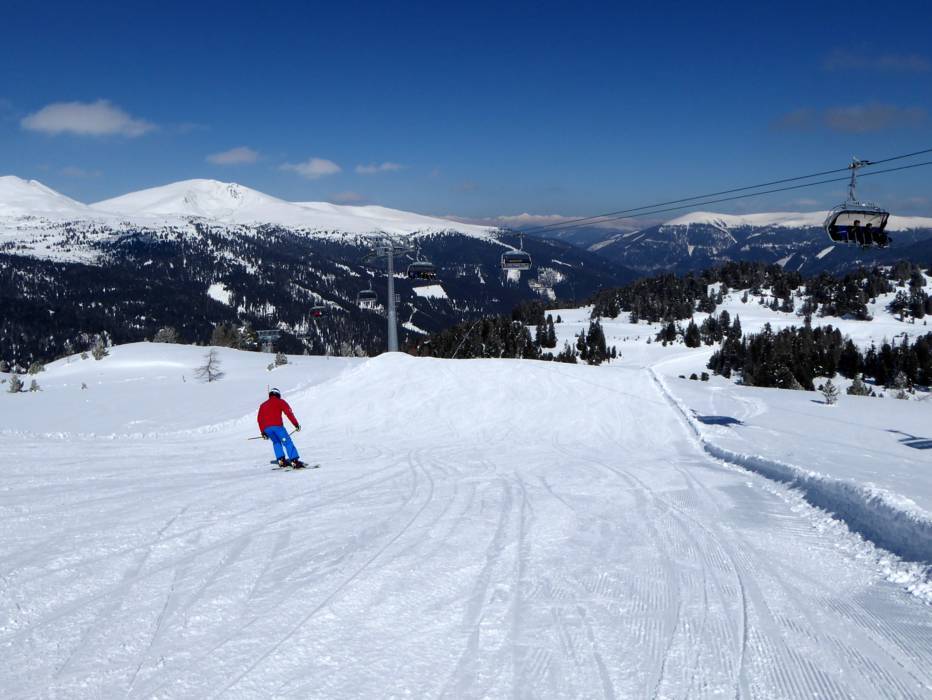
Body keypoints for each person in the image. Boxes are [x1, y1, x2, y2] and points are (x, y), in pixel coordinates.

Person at [257, 388, 304, 468]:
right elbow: (288, 413)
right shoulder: (280, 401)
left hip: (267, 429)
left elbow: (259, 419)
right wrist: (296, 424)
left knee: (276, 442)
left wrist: (263, 432)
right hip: (278, 427)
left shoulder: (263, 405)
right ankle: (294, 461)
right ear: (278, 394)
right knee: (287, 442)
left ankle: (281, 460)